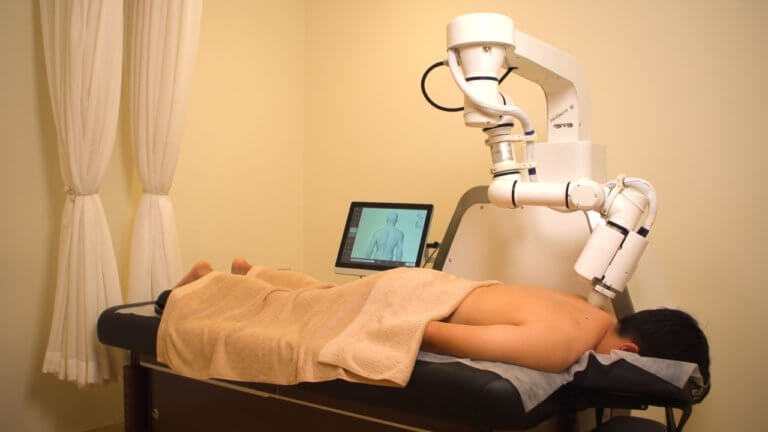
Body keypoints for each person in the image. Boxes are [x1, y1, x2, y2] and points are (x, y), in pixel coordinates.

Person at [168, 258, 710, 384]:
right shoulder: (558, 347)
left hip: (428, 282)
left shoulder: (585, 309)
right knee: (297, 319)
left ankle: (251, 273)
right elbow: (438, 334)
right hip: (411, 302)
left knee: (320, 294)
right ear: (633, 355)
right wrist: (379, 333)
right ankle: (207, 288)